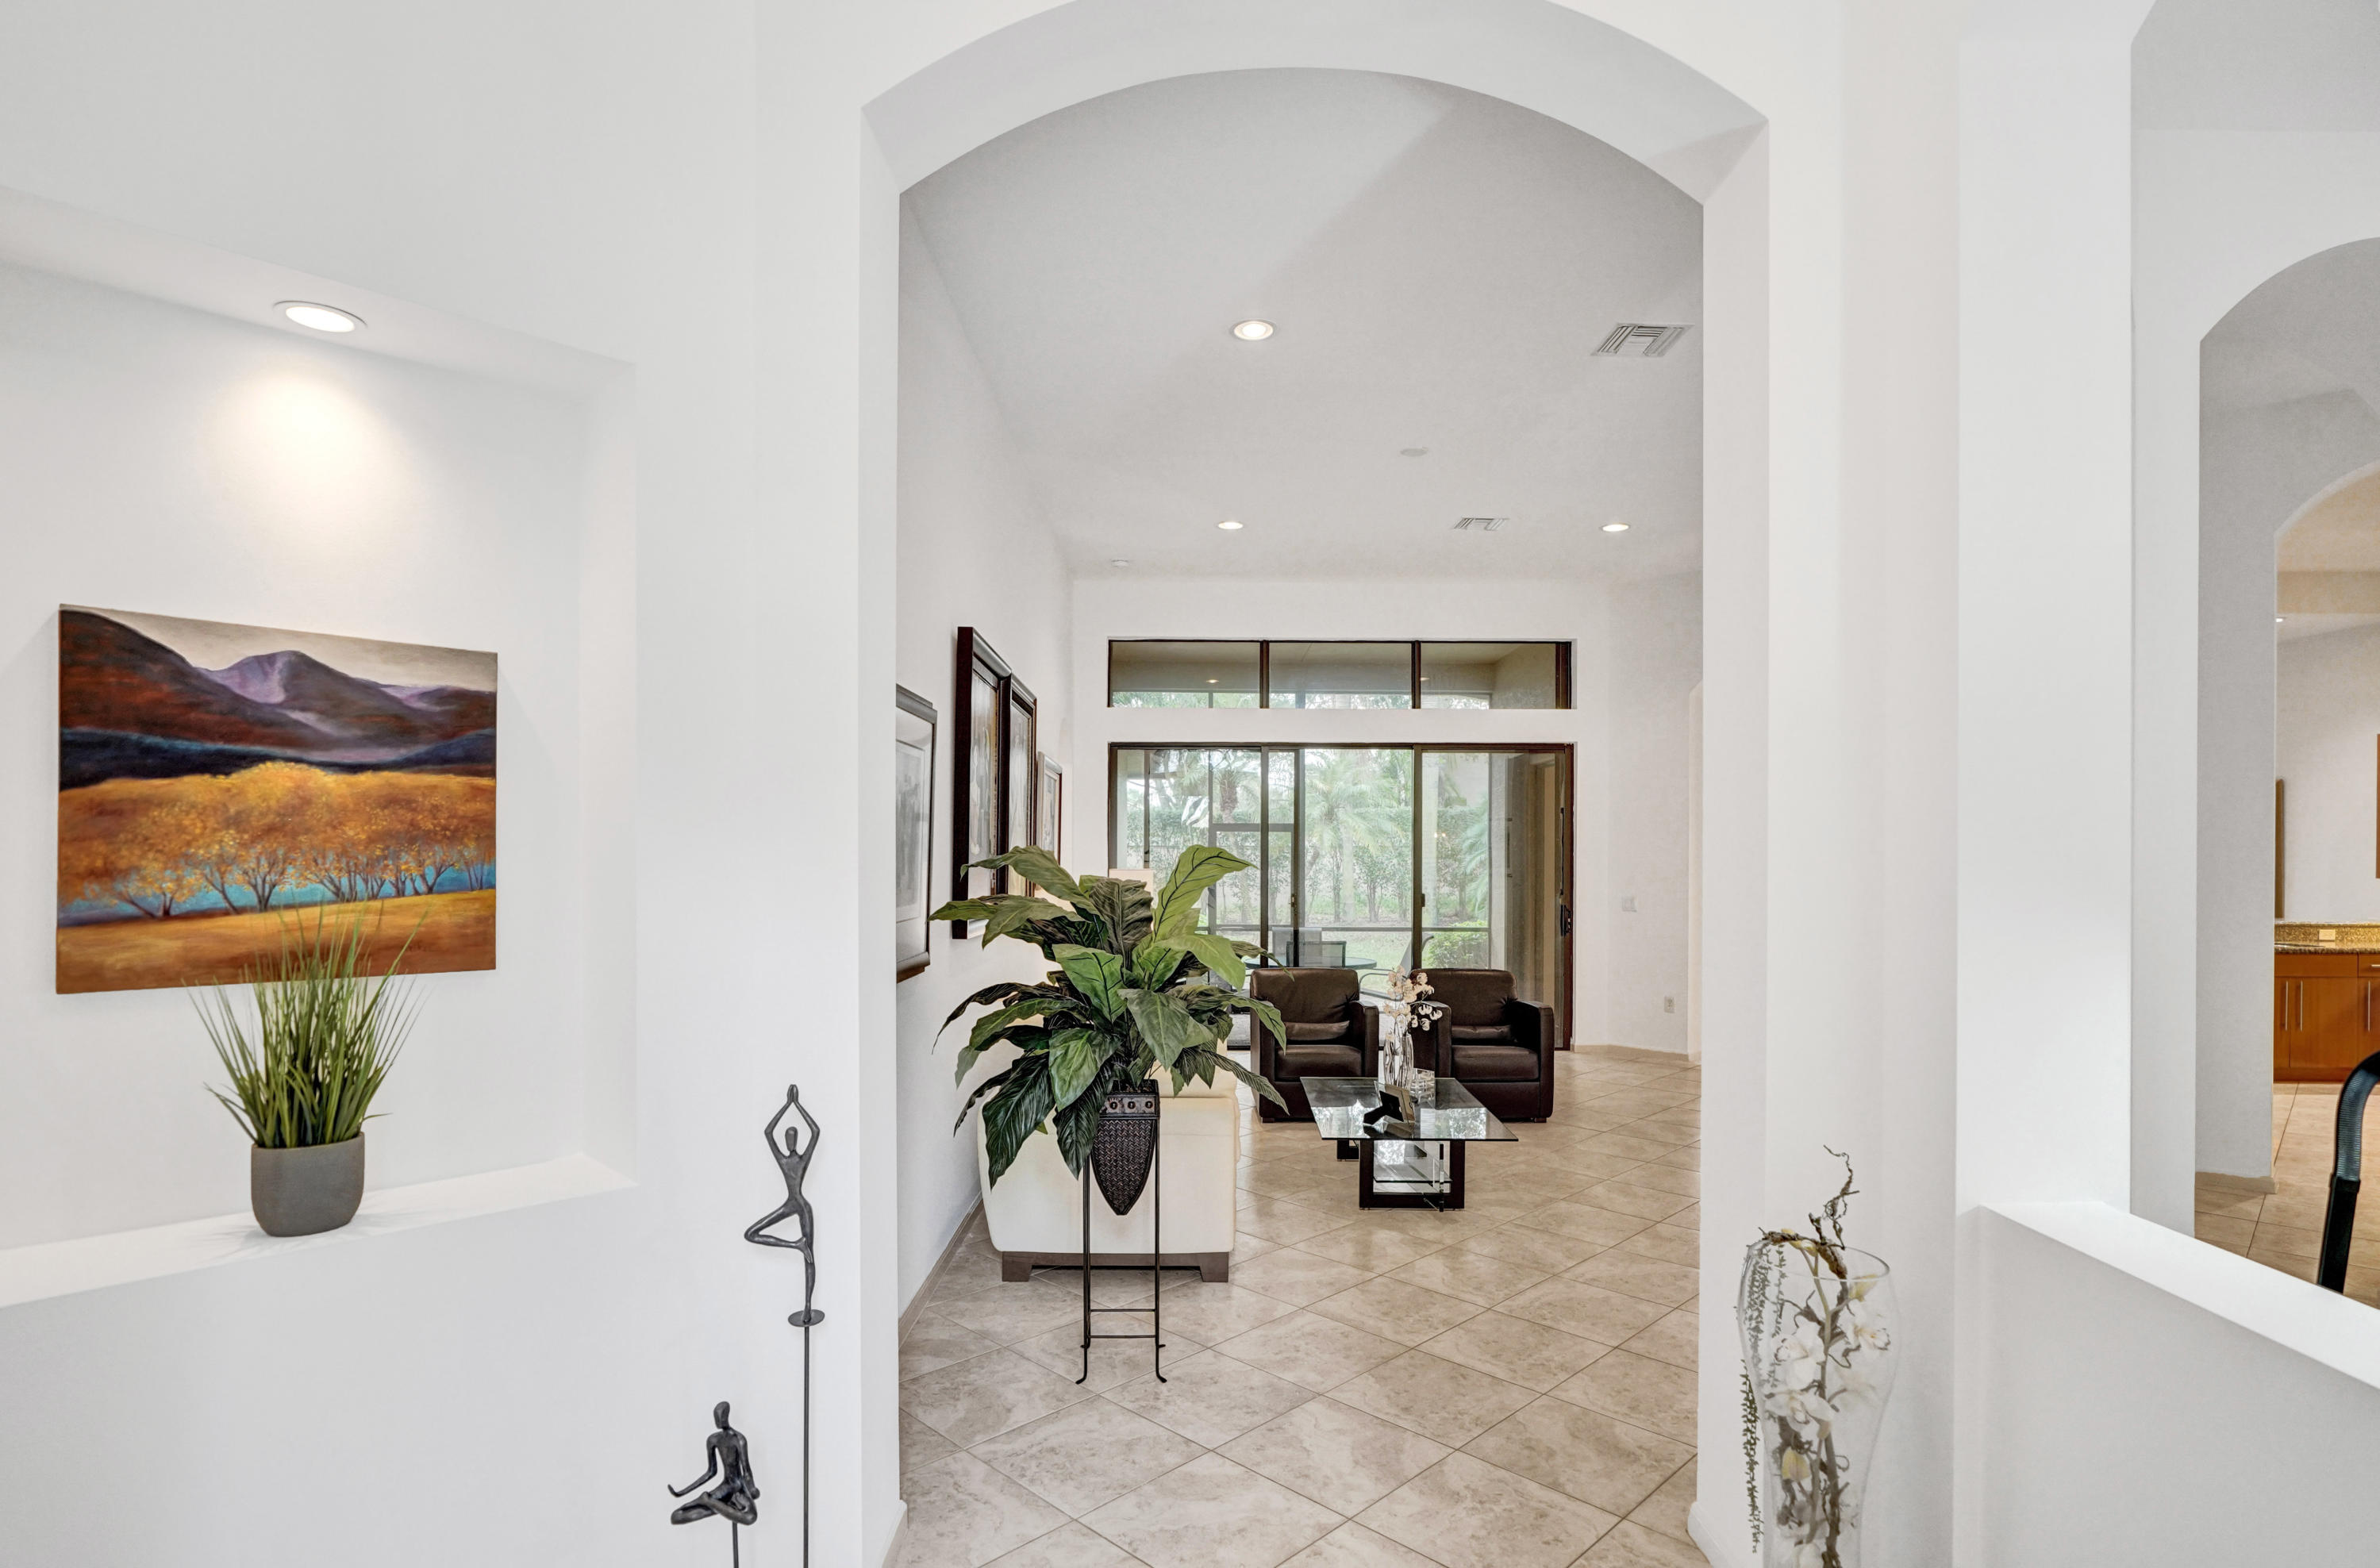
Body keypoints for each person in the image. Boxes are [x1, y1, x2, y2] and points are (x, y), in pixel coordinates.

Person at [744, 1083, 825, 1326]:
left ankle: (808, 1306)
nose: (790, 1140)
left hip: (798, 1205)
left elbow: (815, 1132)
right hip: (793, 1204)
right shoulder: (787, 1158)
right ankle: (795, 1245)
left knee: (810, 1260)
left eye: (792, 1137)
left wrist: (795, 1105)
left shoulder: (797, 1159)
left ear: (795, 1139)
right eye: (788, 1137)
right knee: (751, 1233)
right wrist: (789, 1105)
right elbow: (770, 1132)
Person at [668, 1401, 759, 1528]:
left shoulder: (738, 1439)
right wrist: (682, 1492)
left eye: (720, 1416)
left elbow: (746, 1472)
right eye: (715, 1417)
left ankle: (710, 1502)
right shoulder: (713, 1440)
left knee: (750, 1518)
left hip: (739, 1489)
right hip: (726, 1487)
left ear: (726, 1416)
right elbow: (711, 1472)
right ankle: (721, 1506)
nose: (718, 1420)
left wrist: (752, 1489)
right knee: (677, 1516)